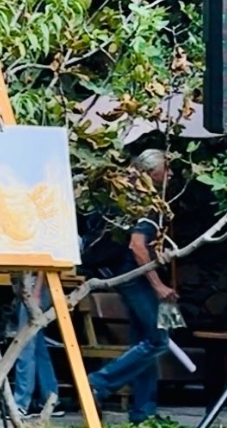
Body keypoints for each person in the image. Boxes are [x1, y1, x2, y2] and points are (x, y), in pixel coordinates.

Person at [88, 149, 176, 424]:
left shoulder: (126, 197)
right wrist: (158, 285)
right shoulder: (146, 203)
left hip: (129, 276)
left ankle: (143, 412)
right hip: (138, 278)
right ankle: (97, 383)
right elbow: (137, 246)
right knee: (158, 340)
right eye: (167, 169)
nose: (171, 174)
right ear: (151, 172)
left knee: (145, 341)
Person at [12, 272, 64, 418]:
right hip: (33, 284)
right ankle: (50, 398)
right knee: (38, 349)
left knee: (25, 346)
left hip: (35, 285)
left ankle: (21, 404)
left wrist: (36, 291)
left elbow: (44, 266)